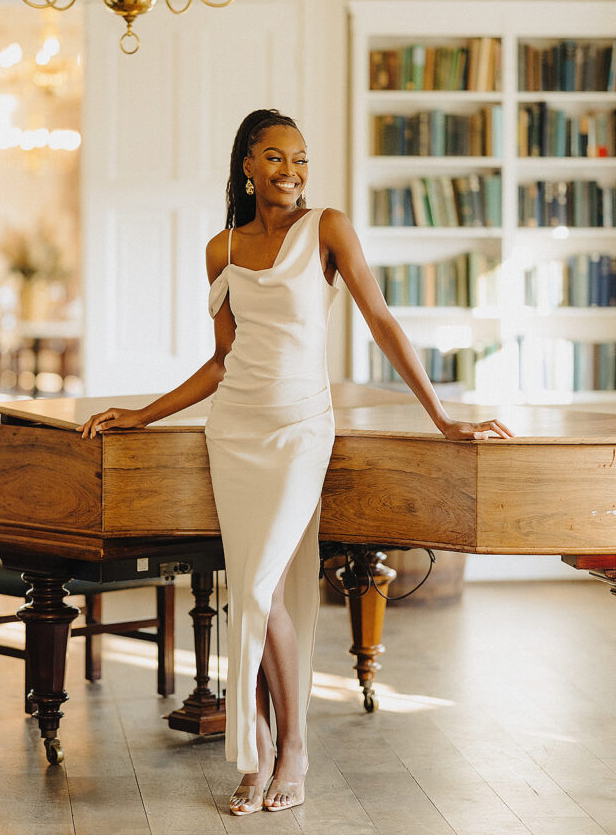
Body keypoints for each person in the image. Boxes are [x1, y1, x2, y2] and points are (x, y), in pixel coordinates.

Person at [79, 108, 513, 815]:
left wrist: (442, 417)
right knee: (258, 594)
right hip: (234, 432)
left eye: (301, 159)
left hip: (298, 431)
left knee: (253, 597)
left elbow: (381, 323)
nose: (291, 172)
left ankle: (288, 750)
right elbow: (220, 364)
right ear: (247, 165)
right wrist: (142, 414)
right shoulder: (221, 247)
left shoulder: (328, 228)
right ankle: (257, 757)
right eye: (276, 158)